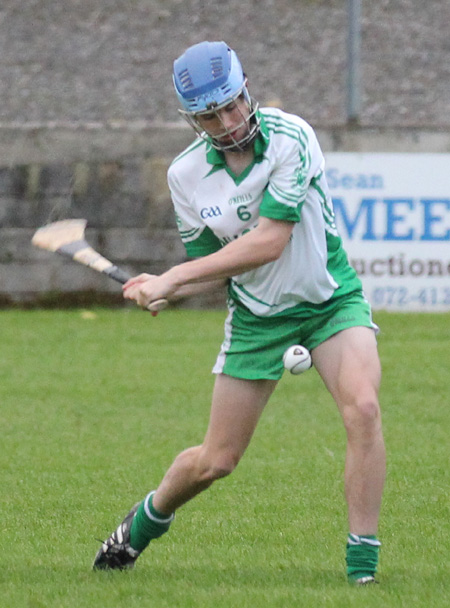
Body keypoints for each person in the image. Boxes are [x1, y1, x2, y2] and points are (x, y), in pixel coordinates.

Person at [93, 40, 386, 585]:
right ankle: (141, 525)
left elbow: (270, 241)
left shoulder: (291, 137)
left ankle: (362, 569)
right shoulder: (185, 177)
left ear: (246, 90)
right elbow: (213, 265)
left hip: (329, 301)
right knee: (216, 461)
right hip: (256, 318)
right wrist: (164, 291)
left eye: (233, 104)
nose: (228, 122)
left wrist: (173, 276)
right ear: (192, 119)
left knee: (363, 409)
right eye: (210, 115)